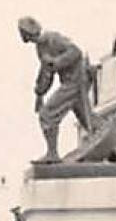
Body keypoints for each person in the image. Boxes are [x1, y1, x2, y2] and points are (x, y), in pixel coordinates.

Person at [18, 16, 97, 163]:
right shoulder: (41, 48)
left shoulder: (52, 38)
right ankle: (112, 149)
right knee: (87, 119)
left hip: (76, 81)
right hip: (70, 82)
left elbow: (76, 52)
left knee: (47, 114)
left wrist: (57, 62)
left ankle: (52, 153)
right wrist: (39, 93)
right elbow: (46, 72)